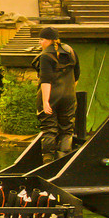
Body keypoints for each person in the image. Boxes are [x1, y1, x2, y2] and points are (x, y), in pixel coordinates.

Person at [32, 27, 80, 164]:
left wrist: (45, 101)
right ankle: (63, 161)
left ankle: (47, 162)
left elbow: (46, 80)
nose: (40, 42)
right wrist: (69, 90)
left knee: (49, 129)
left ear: (50, 40)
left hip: (51, 96)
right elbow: (77, 74)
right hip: (69, 95)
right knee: (66, 129)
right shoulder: (70, 50)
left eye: (41, 39)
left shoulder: (46, 56)